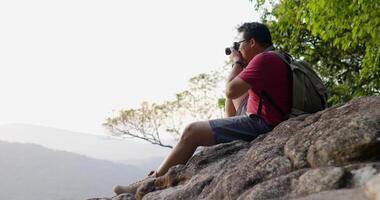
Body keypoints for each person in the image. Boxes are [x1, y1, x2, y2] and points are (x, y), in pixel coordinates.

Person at [113, 22, 290, 195]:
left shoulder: (263, 59)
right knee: (235, 101)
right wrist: (239, 65)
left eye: (239, 44)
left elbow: (230, 91)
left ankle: (150, 182)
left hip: (263, 123)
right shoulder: (278, 57)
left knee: (192, 131)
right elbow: (231, 112)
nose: (238, 49)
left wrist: (237, 62)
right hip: (266, 116)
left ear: (252, 42)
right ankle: (156, 175)